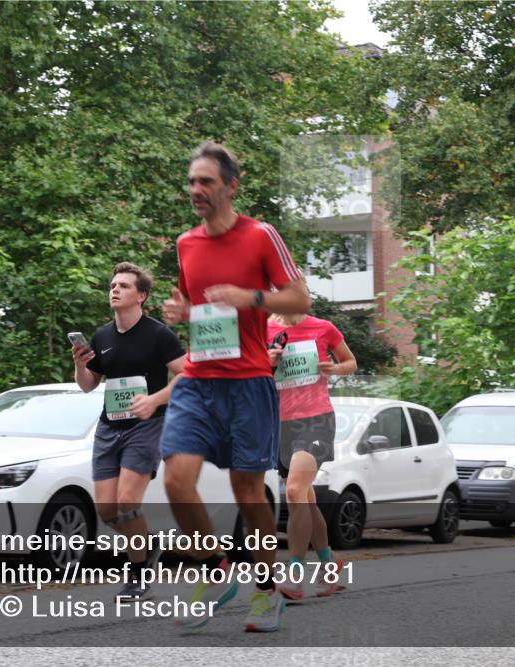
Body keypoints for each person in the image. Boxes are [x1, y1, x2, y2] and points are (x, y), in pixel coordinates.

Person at [161, 141, 311, 632]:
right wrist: (181, 311)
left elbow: (299, 297)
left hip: (248, 382)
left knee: (247, 492)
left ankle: (267, 589)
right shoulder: (187, 243)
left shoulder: (261, 236)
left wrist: (250, 297)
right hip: (199, 380)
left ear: (231, 185)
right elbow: (188, 297)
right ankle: (215, 570)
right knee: (176, 479)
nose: (196, 190)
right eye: (191, 182)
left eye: (205, 181)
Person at [72, 262, 187, 598]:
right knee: (107, 510)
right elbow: (88, 385)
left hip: (147, 426)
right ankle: (147, 545)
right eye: (112, 285)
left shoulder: (158, 334)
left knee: (126, 502)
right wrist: (80, 365)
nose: (115, 289)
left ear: (142, 296)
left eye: (123, 285)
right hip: (110, 427)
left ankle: (137, 573)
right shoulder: (103, 336)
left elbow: (186, 374)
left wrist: (155, 399)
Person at [266, 313, 356, 600]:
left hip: (316, 419)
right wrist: (267, 364)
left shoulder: (323, 327)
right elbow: (252, 372)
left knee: (294, 490)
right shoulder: (263, 328)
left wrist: (334, 368)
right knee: (304, 497)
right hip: (280, 423)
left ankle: (294, 573)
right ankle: (329, 565)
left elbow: (350, 363)